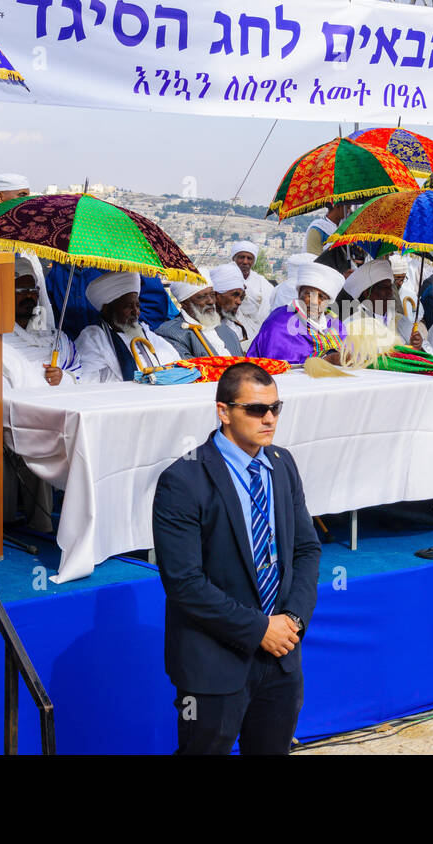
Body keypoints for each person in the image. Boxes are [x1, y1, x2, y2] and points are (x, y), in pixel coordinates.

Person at [152, 362, 321, 754]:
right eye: (256, 409)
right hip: (214, 663)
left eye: (276, 408)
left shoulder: (281, 464)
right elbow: (184, 583)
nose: (269, 418)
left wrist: (291, 622)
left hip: (281, 657)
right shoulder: (183, 479)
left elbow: (306, 549)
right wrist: (259, 628)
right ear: (224, 411)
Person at [77, 271, 182, 381]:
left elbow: (176, 366)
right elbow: (87, 384)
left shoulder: (147, 334)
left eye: (137, 305)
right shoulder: (93, 340)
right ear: (107, 310)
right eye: (128, 306)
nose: (136, 312)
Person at [2, 256, 85, 388]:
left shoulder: (56, 339)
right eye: (21, 290)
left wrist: (62, 377)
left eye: (33, 290)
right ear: (5, 294)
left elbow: (79, 375)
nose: (29, 296)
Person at [247, 264, 347, 364]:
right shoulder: (280, 322)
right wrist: (327, 359)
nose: (314, 302)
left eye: (321, 297)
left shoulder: (335, 325)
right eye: (309, 294)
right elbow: (278, 364)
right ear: (299, 293)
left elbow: (349, 354)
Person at [339, 258, 423, 352]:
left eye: (390, 286)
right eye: (384, 287)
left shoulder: (400, 320)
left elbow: (426, 353)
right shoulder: (353, 323)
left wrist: (417, 346)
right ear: (367, 293)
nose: (390, 292)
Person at [157, 277, 244, 358]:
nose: (211, 301)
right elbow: (190, 371)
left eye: (212, 294)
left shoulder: (225, 329)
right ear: (184, 303)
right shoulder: (171, 333)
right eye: (202, 297)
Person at [226, 241, 274, 333]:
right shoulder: (224, 278)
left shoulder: (262, 283)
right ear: (234, 258)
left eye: (249, 258)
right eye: (241, 257)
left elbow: (269, 309)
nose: (245, 262)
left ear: (253, 261)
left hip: (257, 331)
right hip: (230, 328)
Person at [209, 263, 255, 346]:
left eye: (241, 297)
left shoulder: (236, 327)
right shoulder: (201, 329)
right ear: (216, 295)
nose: (239, 302)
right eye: (235, 295)